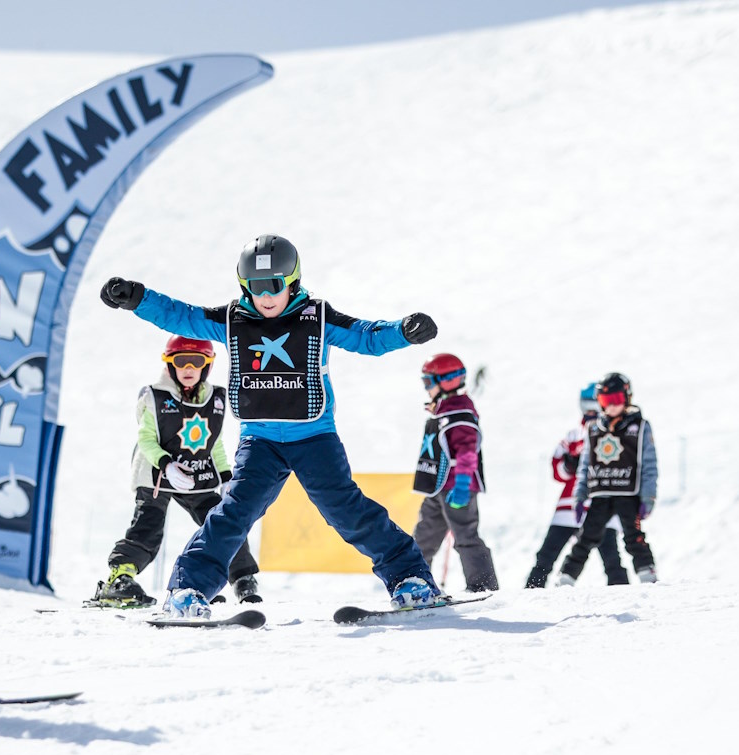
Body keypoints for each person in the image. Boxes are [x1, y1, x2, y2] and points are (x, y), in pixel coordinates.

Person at [100, 234, 442, 618]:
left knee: (347, 510)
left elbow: (366, 336)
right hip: (260, 441)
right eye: (255, 287)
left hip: (314, 437)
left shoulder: (317, 317)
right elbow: (183, 316)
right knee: (233, 513)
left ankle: (410, 578)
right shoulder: (233, 320)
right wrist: (137, 298)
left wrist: (403, 331)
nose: (265, 297)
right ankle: (188, 590)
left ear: (292, 281)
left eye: (273, 286)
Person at [94, 335, 261, 608]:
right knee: (148, 526)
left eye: (196, 362)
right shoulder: (154, 397)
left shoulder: (215, 399)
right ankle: (120, 578)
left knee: (223, 522)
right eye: (181, 361)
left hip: (198, 475)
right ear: (170, 364)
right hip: (157, 474)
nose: (188, 369)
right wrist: (166, 465)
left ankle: (243, 579)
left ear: (206, 366)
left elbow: (213, 443)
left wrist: (226, 477)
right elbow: (146, 439)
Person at [410, 353, 499, 593]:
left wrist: (461, 485)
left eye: (428, 383)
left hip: (457, 488)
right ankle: (416, 583)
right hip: (437, 488)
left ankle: (484, 586)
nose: (426, 389)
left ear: (447, 381)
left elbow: (468, 452)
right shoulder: (443, 411)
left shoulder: (460, 414)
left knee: (466, 537)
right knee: (423, 538)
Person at [559, 372, 658, 585]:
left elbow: (649, 465)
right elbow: (586, 464)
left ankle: (647, 573)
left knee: (633, 536)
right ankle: (566, 577)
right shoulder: (594, 429)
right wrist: (579, 495)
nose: (611, 406)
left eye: (616, 400)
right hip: (601, 494)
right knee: (587, 536)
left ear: (627, 398)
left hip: (628, 493)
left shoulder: (639, 427)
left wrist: (648, 497)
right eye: (606, 401)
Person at [525, 383, 627, 588]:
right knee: (547, 554)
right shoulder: (573, 435)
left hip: (601, 505)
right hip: (569, 506)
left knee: (611, 557)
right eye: (585, 405)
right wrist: (569, 464)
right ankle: (532, 591)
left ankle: (622, 591)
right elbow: (557, 471)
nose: (590, 411)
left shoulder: (614, 432)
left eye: (594, 405)